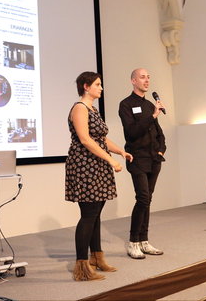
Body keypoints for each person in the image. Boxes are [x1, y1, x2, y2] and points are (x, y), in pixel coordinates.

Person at [65, 71, 133, 281]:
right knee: (88, 215)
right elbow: (85, 140)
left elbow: (102, 139)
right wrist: (111, 160)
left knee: (95, 215)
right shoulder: (79, 108)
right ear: (86, 86)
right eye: (97, 84)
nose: (101, 88)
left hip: (97, 164)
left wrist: (120, 151)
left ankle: (97, 258)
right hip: (85, 166)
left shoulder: (93, 109)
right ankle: (82, 267)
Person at [119, 68, 166, 259]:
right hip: (137, 158)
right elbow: (132, 132)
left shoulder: (149, 105)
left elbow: (159, 132)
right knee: (143, 198)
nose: (146, 80)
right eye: (142, 77)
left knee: (148, 199)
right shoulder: (126, 104)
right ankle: (133, 242)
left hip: (154, 158)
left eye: (148, 77)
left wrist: (162, 149)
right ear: (133, 81)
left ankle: (144, 241)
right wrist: (152, 116)